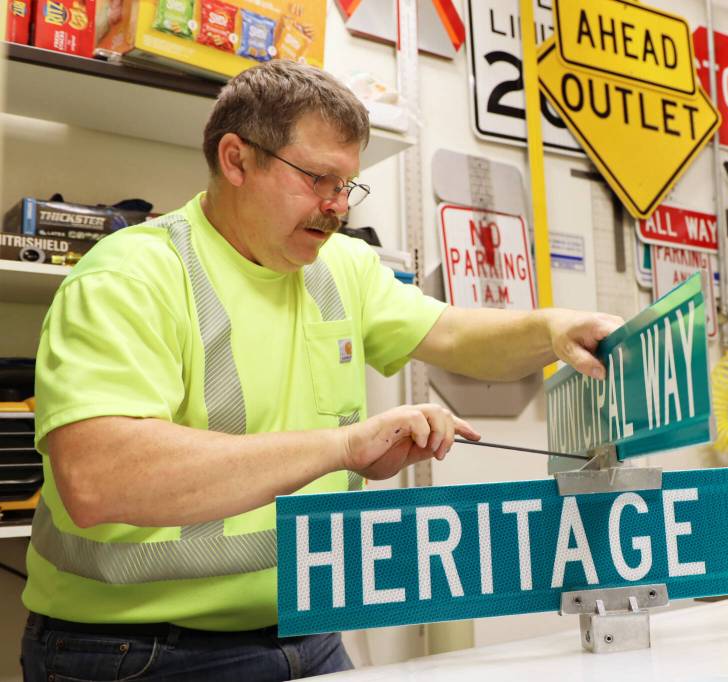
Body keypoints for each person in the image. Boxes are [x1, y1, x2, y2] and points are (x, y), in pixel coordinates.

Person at [20, 60, 622, 681]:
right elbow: (99, 479)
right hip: (136, 649)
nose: (336, 206)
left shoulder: (340, 267)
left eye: (347, 186)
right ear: (236, 159)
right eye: (318, 179)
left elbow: (453, 334)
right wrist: (342, 447)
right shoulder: (131, 275)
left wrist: (551, 328)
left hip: (307, 630)